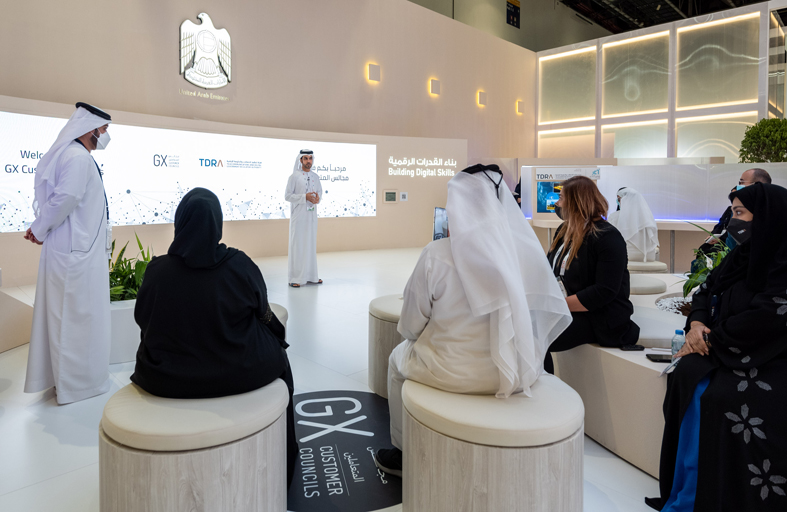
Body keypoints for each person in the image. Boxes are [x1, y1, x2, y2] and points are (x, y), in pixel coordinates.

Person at [373, 164, 572, 476]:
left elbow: (411, 325)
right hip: (516, 370)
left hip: (449, 371)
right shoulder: (522, 254)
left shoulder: (436, 254)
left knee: (397, 360)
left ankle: (403, 453)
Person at [130, 188, 298, 487]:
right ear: (217, 223)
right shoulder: (239, 265)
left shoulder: (158, 271)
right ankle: (284, 460)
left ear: (180, 222)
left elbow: (143, 319)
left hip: (167, 378)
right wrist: (277, 335)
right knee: (281, 360)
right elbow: (263, 312)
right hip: (240, 372)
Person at [653, 183, 787, 511]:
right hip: (727, 349)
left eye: (740, 212)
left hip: (768, 358)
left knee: (717, 397)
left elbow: (768, 316)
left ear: (767, 216)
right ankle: (687, 492)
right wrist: (697, 325)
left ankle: (716, 497)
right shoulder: (742, 256)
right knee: (686, 375)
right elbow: (704, 291)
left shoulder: (782, 263)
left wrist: (711, 340)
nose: (733, 221)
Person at [23, 102, 113, 405]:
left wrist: (40, 228)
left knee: (72, 318)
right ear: (90, 129)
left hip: (76, 251)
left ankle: (70, 382)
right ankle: (76, 386)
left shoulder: (76, 156)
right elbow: (66, 197)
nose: (105, 136)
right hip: (76, 255)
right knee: (74, 320)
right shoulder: (77, 157)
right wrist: (39, 228)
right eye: (103, 130)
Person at [544, 176, 639, 373]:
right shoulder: (564, 231)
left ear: (576, 202)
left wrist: (557, 305)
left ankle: (542, 388)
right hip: (568, 309)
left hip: (599, 318)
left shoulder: (607, 237)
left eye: (561, 198)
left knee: (537, 337)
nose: (557, 204)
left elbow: (604, 291)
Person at [698, 168, 772, 255]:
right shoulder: (731, 211)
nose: (739, 186)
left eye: (742, 182)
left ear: (756, 185)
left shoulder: (767, 216)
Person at [285, 149, 323, 287]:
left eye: (310, 158)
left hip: (311, 216)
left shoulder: (315, 177)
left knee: (310, 245)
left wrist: (317, 199)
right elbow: (287, 196)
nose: (308, 161)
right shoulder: (294, 177)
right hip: (299, 216)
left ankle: (312, 276)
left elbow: (319, 193)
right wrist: (304, 197)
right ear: (300, 160)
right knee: (298, 246)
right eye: (305, 158)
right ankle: (295, 278)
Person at [608, 187, 660, 262]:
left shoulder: (614, 217)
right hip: (649, 256)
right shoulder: (648, 218)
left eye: (619, 199)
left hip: (625, 255)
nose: (617, 201)